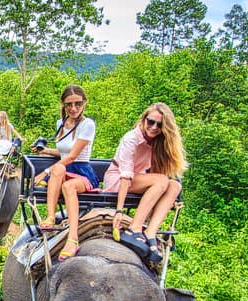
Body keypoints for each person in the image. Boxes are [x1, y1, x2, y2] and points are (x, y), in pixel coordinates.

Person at [105, 102, 187, 264]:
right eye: (151, 122)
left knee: (175, 186)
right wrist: (119, 211)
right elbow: (126, 177)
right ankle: (134, 229)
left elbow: (159, 173)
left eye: (160, 124)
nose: (154, 127)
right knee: (162, 180)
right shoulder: (131, 139)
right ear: (143, 120)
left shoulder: (158, 142)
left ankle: (150, 232)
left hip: (139, 180)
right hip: (118, 179)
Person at [31, 85, 98, 261]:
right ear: (63, 104)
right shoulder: (60, 124)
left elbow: (73, 156)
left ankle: (73, 238)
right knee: (59, 168)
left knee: (68, 186)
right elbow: (63, 154)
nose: (73, 108)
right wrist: (45, 151)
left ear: (84, 103)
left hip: (81, 170)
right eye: (69, 104)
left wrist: (45, 171)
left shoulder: (87, 124)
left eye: (78, 104)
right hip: (63, 169)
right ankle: (50, 217)